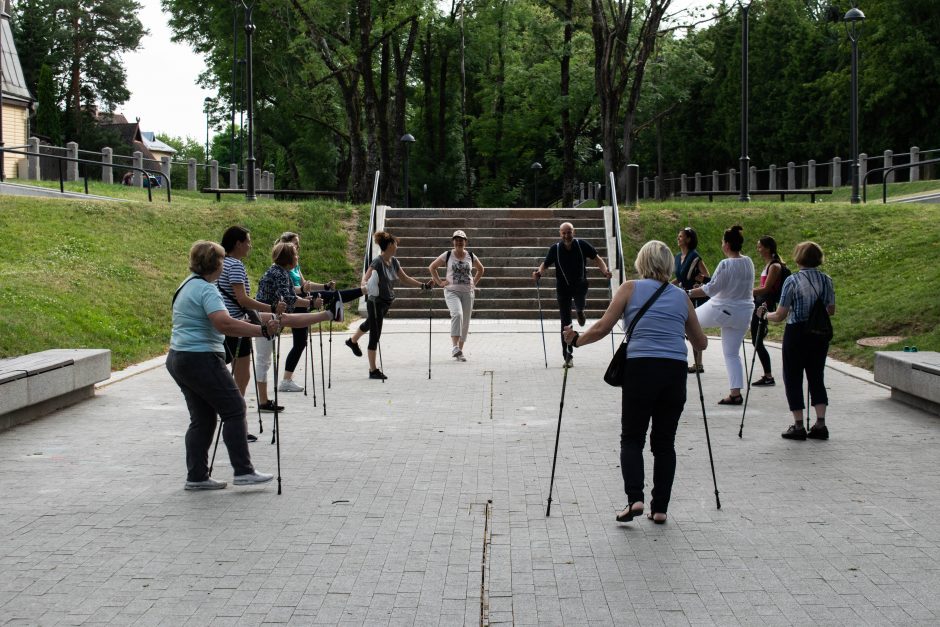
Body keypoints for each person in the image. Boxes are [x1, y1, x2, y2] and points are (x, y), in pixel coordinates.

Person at [563, 241, 707, 524]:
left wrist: (577, 340)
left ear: (642, 262)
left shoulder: (630, 288)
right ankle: (661, 508)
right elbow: (700, 341)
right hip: (674, 371)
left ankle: (635, 499)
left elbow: (603, 326)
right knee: (665, 442)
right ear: (668, 265)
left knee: (632, 437)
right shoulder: (681, 297)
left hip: (640, 369)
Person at [758, 241, 835, 441]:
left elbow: (781, 314)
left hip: (797, 332)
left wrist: (765, 315)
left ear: (799, 257)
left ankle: (798, 425)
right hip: (819, 332)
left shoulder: (792, 281)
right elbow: (831, 310)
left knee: (793, 376)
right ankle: (820, 423)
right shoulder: (827, 280)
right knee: (817, 375)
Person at [216, 226, 287, 441]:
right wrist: (271, 308)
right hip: (238, 325)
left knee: (229, 374)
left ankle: (230, 418)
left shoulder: (220, 263)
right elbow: (242, 299)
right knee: (241, 378)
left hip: (223, 323)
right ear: (237, 243)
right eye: (247, 241)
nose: (250, 245)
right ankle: (236, 424)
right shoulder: (236, 265)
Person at [254, 242, 331, 411]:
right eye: (295, 255)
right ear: (289, 260)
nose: (298, 257)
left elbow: (291, 292)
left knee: (264, 359)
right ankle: (263, 401)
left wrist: (309, 300)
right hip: (267, 317)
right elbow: (289, 298)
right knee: (263, 359)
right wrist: (311, 303)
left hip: (272, 316)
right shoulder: (280, 273)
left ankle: (264, 399)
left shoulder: (281, 271)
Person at [347, 231, 431, 379]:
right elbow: (364, 281)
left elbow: (405, 278)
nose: (397, 246)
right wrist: (369, 285)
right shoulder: (377, 262)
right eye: (396, 243)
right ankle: (373, 370)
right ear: (391, 245)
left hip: (386, 302)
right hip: (375, 302)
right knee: (375, 334)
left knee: (369, 324)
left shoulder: (394, 261)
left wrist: (423, 285)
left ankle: (352, 341)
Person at [687, 225, 755, 405]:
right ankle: (735, 393)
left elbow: (711, 289)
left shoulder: (726, 264)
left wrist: (688, 293)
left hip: (722, 309)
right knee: (732, 354)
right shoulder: (748, 261)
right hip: (744, 312)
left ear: (726, 245)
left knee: (687, 319)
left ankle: (678, 356)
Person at [532, 222, 612, 367]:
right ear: (560, 233)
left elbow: (597, 259)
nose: (566, 235)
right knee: (565, 323)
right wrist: (539, 273)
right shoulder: (555, 249)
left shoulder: (582, 245)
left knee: (580, 305)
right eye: (564, 233)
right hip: (563, 289)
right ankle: (568, 357)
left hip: (580, 285)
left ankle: (580, 311)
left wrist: (605, 271)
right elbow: (545, 264)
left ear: (573, 232)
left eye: (569, 232)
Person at [428, 229, 485, 361]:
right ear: (453, 241)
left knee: (465, 322)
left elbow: (481, 269)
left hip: (468, 293)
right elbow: (432, 267)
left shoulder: (470, 255)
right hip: (451, 291)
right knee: (457, 314)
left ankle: (459, 351)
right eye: (457, 240)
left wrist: (474, 283)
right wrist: (439, 282)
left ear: (465, 242)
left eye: (461, 240)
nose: (459, 242)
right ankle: (454, 347)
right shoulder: (447, 254)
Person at [750, 236, 789, 386]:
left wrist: (747, 292)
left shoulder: (775, 266)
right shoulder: (769, 265)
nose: (758, 249)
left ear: (767, 248)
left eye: (760, 247)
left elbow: (766, 289)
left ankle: (768, 376)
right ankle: (767, 375)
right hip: (760, 303)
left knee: (757, 340)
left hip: (764, 305)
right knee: (756, 340)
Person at [672, 226, 710, 373]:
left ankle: (698, 364)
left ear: (688, 239)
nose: (678, 238)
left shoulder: (695, 257)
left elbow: (706, 275)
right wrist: (668, 285)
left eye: (681, 236)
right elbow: (679, 278)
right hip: (682, 295)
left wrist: (699, 283)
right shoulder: (677, 257)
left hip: (693, 297)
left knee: (694, 328)